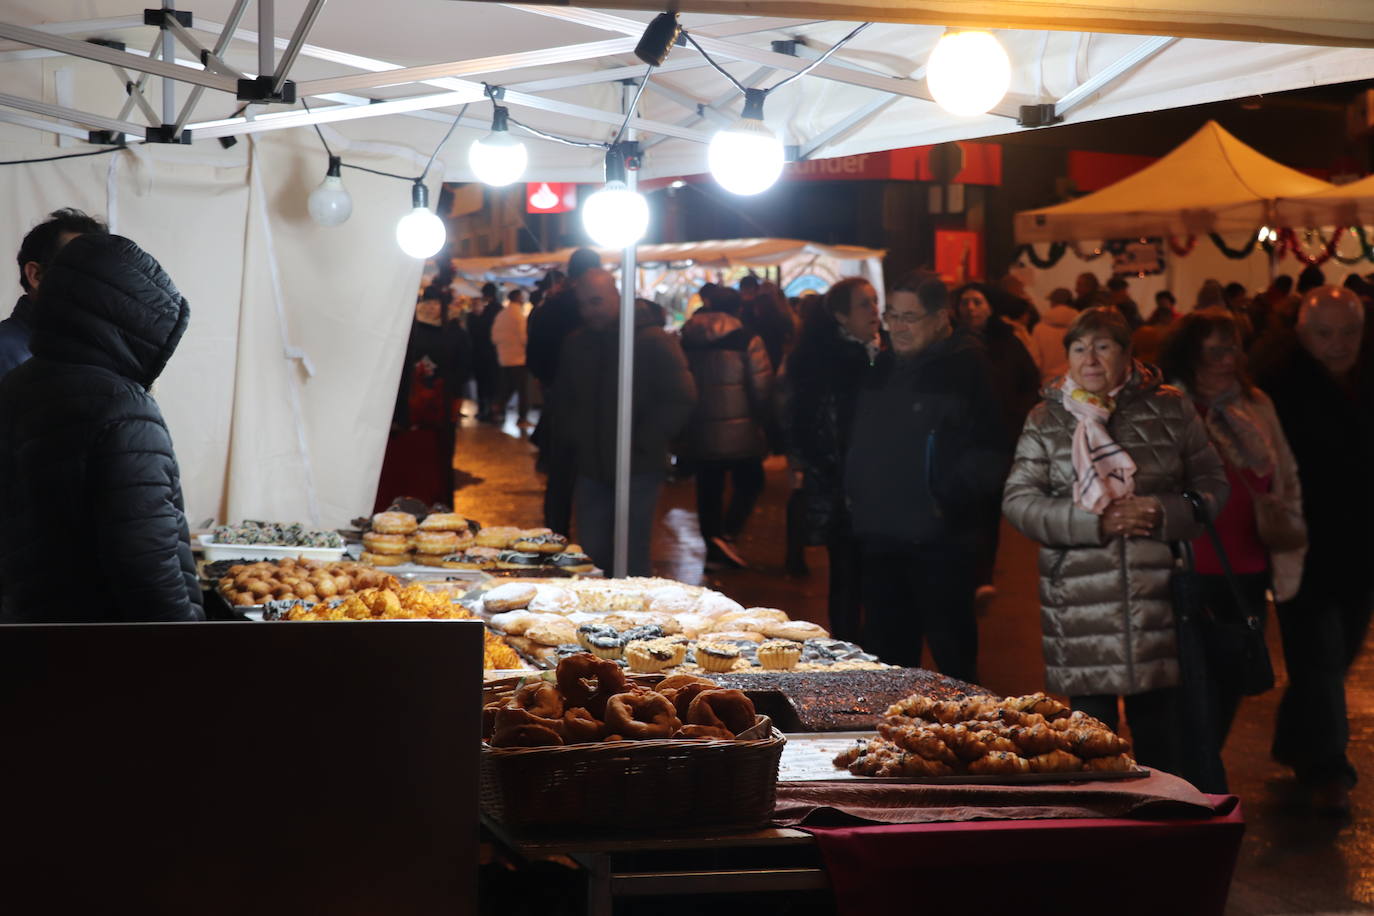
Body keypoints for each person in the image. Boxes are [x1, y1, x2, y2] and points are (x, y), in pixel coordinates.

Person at [1003, 307, 1228, 777]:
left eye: (1103, 347)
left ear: (1127, 355)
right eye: (1079, 348)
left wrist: (1163, 511)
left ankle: (1162, 818)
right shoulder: (1047, 417)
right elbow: (1019, 501)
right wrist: (1094, 522)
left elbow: (1212, 483)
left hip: (1158, 599)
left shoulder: (1170, 407)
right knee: (1091, 742)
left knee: (1162, 738)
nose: (1090, 359)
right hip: (1079, 603)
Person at [0, 233, 203, 622]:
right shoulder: (124, 409)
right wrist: (192, 648)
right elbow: (149, 571)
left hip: (27, 631)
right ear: (137, 322)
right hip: (107, 647)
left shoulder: (15, 386)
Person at [844, 275, 1010, 681]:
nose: (897, 326)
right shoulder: (883, 366)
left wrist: (944, 501)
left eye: (910, 317)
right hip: (881, 540)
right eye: (892, 315)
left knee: (954, 668)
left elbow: (993, 452)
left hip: (941, 545)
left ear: (940, 318)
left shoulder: (969, 367)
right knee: (887, 668)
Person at [1158, 310, 1304, 758]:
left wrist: (1287, 519)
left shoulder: (1256, 404)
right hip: (1189, 566)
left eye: (1234, 348)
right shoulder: (1170, 406)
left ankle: (1206, 765)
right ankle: (1197, 774)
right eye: (1216, 350)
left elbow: (1285, 472)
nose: (1228, 359)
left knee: (1230, 681)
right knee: (1190, 689)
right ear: (1190, 354)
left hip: (1249, 567)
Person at [1256, 286, 1374, 812]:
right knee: (1320, 657)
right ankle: (1329, 770)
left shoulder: (1366, 377)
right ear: (1302, 334)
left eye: (1349, 332)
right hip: (1303, 548)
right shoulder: (1279, 386)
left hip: (1360, 546)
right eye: (1325, 333)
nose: (1338, 343)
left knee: (1339, 653)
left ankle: (1295, 741)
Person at [552, 268, 696, 576]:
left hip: (639, 468)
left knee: (632, 554)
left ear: (616, 297)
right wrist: (575, 439)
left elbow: (681, 398)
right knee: (592, 555)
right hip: (591, 467)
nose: (589, 311)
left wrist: (642, 441)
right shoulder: (577, 343)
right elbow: (565, 399)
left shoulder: (653, 341)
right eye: (583, 304)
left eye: (596, 302)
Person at [779, 277, 880, 641]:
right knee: (850, 576)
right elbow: (817, 426)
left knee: (859, 576)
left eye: (875, 301)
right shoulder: (838, 361)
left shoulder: (871, 352)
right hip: (846, 487)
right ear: (841, 315)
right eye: (864, 304)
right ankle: (853, 648)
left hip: (859, 485)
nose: (875, 311)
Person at [954, 282, 1041, 601]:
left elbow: (1029, 382)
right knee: (963, 508)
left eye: (977, 302)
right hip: (960, 441)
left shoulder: (1008, 342)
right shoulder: (951, 342)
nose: (971, 308)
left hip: (997, 440)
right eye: (965, 302)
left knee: (989, 508)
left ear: (990, 307)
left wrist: (1015, 415)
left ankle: (983, 575)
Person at [679, 287, 773, 570]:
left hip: (700, 426)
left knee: (708, 487)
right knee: (752, 480)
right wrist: (764, 420)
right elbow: (762, 387)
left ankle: (713, 543)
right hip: (741, 429)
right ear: (738, 309)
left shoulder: (687, 338)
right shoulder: (748, 339)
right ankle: (728, 533)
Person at [528, 249, 600, 535]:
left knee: (560, 478)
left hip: (560, 402)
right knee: (596, 478)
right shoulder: (604, 309)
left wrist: (550, 382)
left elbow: (535, 358)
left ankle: (556, 540)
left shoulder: (550, 309)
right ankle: (593, 543)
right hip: (599, 404)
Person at [384, 283, 473, 506]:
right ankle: (439, 504)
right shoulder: (452, 330)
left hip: (418, 409)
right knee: (436, 462)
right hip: (434, 408)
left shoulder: (410, 327)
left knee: (415, 464)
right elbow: (465, 369)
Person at [3, 208, 108, 379]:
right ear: (36, 276)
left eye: (100, 270)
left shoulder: (92, 353)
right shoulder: (7, 352)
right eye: (80, 267)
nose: (97, 282)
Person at [490, 288, 530, 426]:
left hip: (503, 357)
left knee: (507, 387)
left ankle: (496, 408)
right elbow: (524, 338)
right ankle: (522, 418)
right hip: (518, 358)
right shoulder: (518, 315)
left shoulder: (501, 315)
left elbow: (494, 337)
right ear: (519, 298)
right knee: (521, 390)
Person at [468, 282, 502, 422]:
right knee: (494, 383)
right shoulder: (500, 310)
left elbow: (476, 331)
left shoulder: (483, 312)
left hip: (481, 353)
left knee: (482, 383)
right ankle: (494, 411)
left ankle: (483, 410)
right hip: (495, 353)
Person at [1032, 287, 1079, 381]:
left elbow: (1036, 359)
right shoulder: (1081, 325)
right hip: (1078, 380)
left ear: (1053, 303)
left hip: (1050, 381)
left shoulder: (1039, 328)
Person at [1131, 291, 1178, 365]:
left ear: (1171, 302)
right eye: (1160, 301)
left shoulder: (1178, 320)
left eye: (1164, 301)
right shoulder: (1153, 319)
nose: (1162, 304)